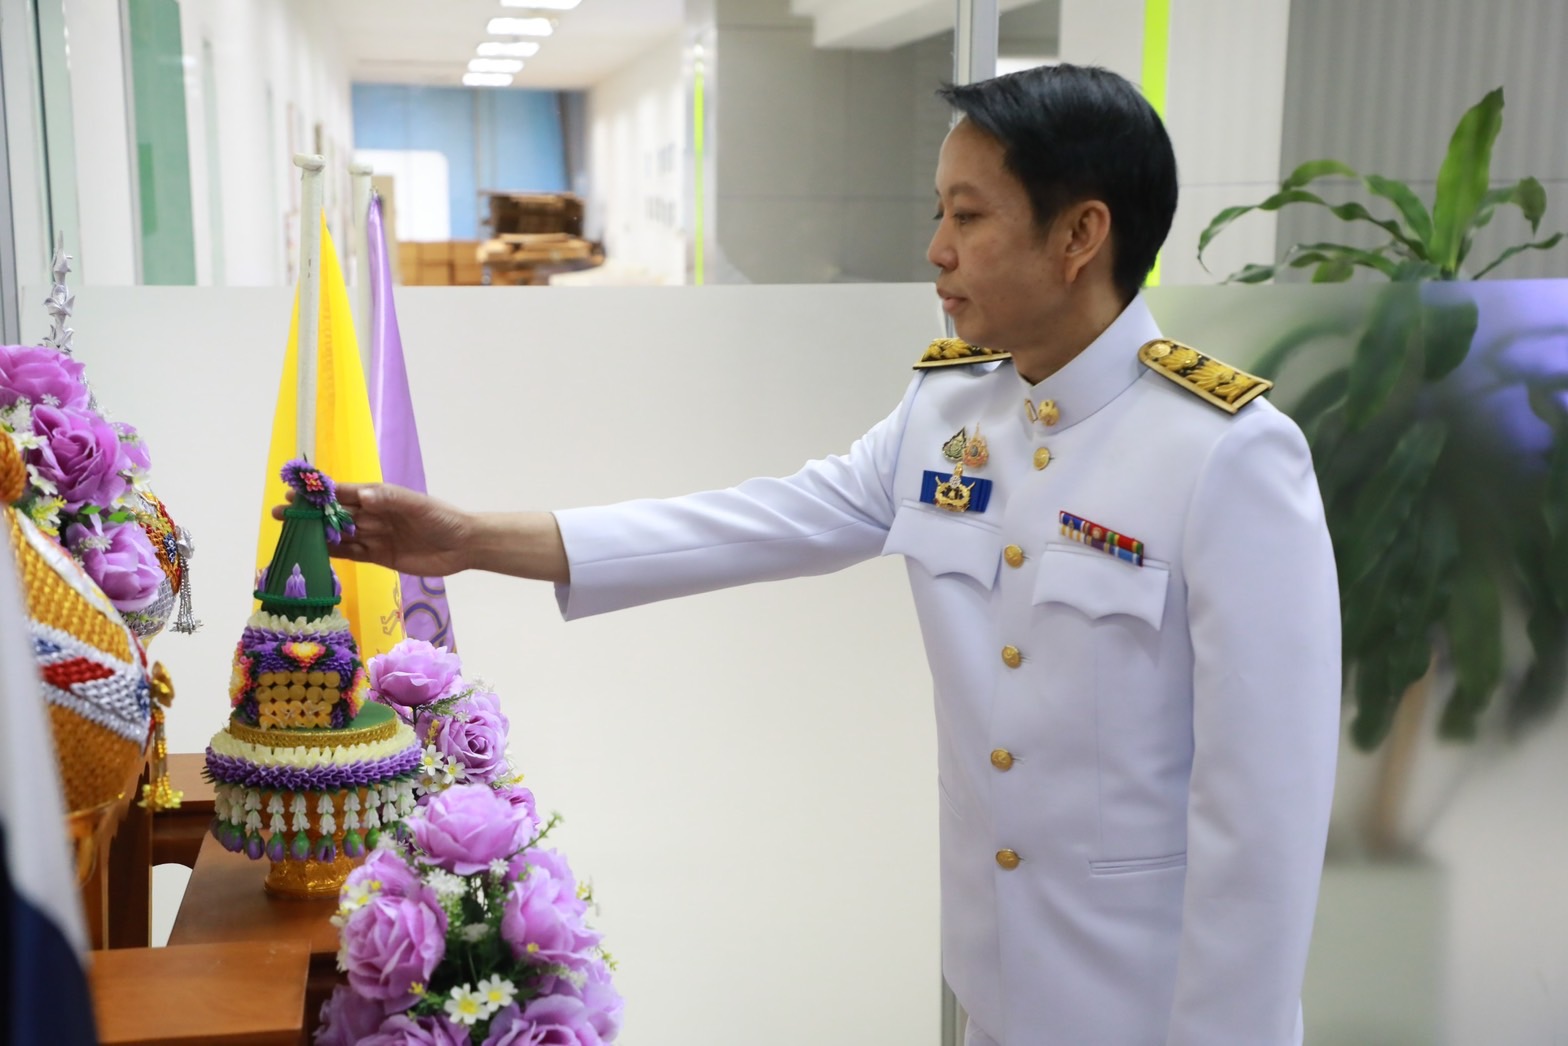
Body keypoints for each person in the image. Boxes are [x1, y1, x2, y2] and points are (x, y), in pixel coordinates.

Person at [323, 65, 1340, 1045]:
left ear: (1079, 233)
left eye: (968, 214)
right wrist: (469, 540)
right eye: (938, 211)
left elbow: (1262, 823)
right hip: (994, 989)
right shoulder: (949, 406)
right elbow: (760, 519)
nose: (935, 248)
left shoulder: (1225, 454)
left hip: (1149, 1010)